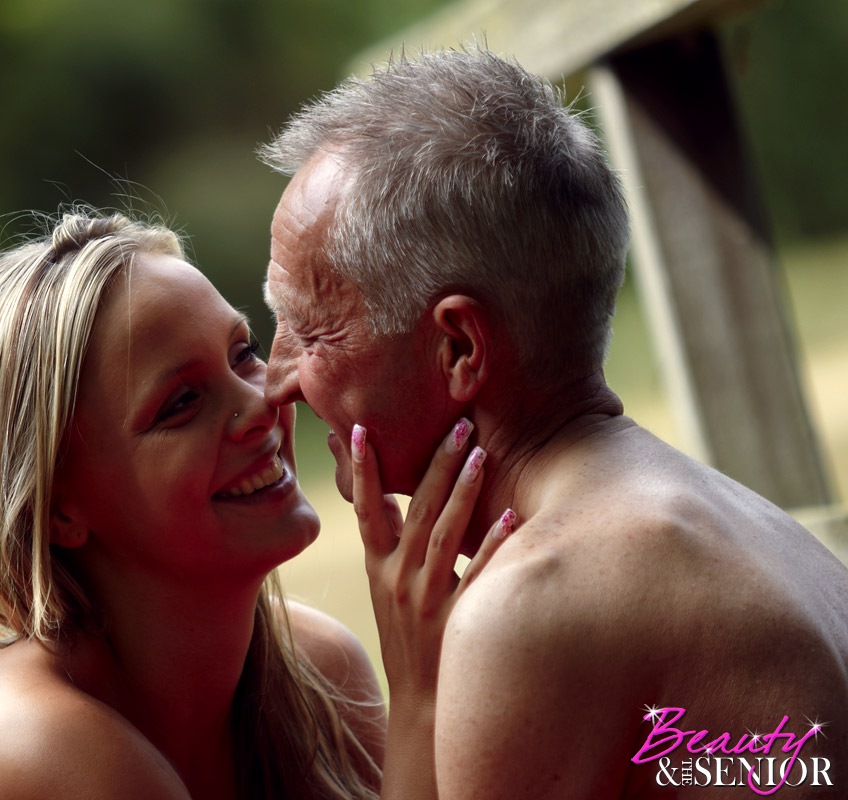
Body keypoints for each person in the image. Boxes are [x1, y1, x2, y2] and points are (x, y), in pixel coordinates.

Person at [259, 48, 848, 798]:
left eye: (310, 330)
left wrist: (418, 695)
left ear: (459, 348)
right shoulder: (756, 530)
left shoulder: (533, 604)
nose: (277, 379)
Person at [0, 209, 510, 799]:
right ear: (56, 512)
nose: (262, 403)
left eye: (243, 353)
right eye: (181, 402)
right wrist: (422, 693)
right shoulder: (31, 741)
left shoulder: (321, 674)